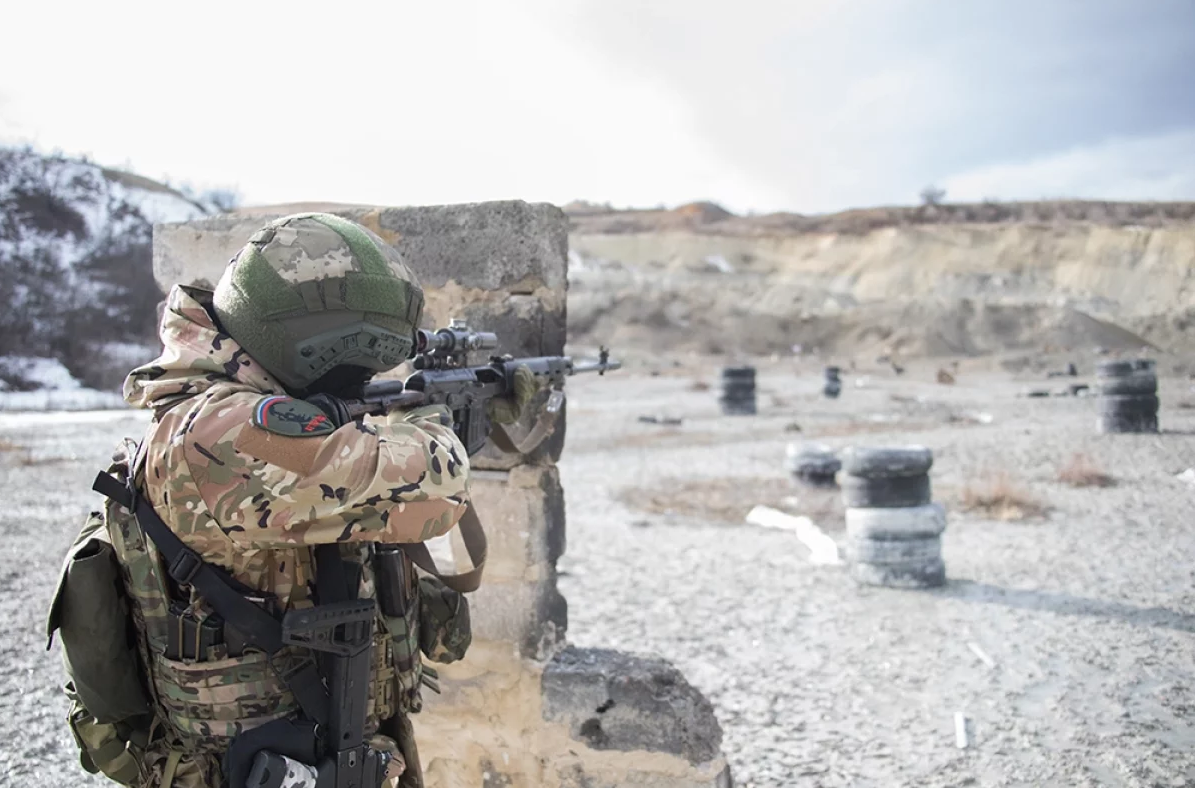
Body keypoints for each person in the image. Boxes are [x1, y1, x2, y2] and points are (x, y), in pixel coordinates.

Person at [64, 212, 535, 788]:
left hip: (315, 746)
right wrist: (438, 423)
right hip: (261, 764)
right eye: (359, 361)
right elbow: (431, 485)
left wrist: (468, 413)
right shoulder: (223, 432)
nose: (365, 376)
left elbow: (361, 468)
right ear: (309, 340)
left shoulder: (244, 406)